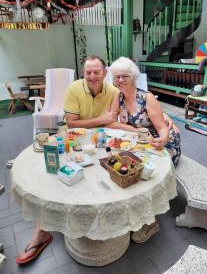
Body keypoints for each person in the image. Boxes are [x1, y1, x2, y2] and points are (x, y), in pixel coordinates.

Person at [16, 55, 179, 263]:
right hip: (74, 140)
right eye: (88, 72)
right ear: (84, 73)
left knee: (118, 174)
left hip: (102, 142)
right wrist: (104, 122)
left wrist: (166, 120)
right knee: (55, 180)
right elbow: (74, 124)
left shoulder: (113, 91)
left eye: (97, 72)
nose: (92, 76)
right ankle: (41, 232)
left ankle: (141, 218)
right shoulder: (75, 89)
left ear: (104, 73)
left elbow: (143, 109)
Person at [107, 57, 181, 243]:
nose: (120, 80)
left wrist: (163, 139)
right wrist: (132, 129)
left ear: (133, 77)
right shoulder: (118, 97)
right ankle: (132, 210)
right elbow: (111, 120)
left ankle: (151, 221)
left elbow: (163, 128)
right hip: (139, 141)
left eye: (124, 76)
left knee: (146, 171)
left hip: (161, 143)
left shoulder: (146, 98)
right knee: (125, 165)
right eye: (117, 77)